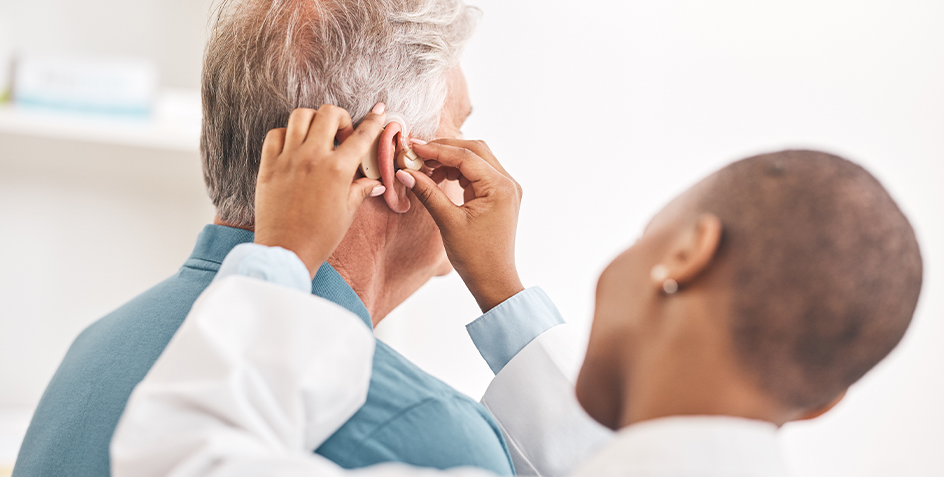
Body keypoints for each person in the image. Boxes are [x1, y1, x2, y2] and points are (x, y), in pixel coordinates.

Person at [15, 0, 614, 477]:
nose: (477, 153)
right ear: (396, 159)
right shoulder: (428, 432)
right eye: (459, 127)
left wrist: (503, 292)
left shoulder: (96, 351)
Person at [111, 107, 922, 476]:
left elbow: (179, 456)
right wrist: (498, 290)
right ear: (820, 405)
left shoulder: (441, 445)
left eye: (642, 237)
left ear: (686, 251)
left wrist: (282, 254)